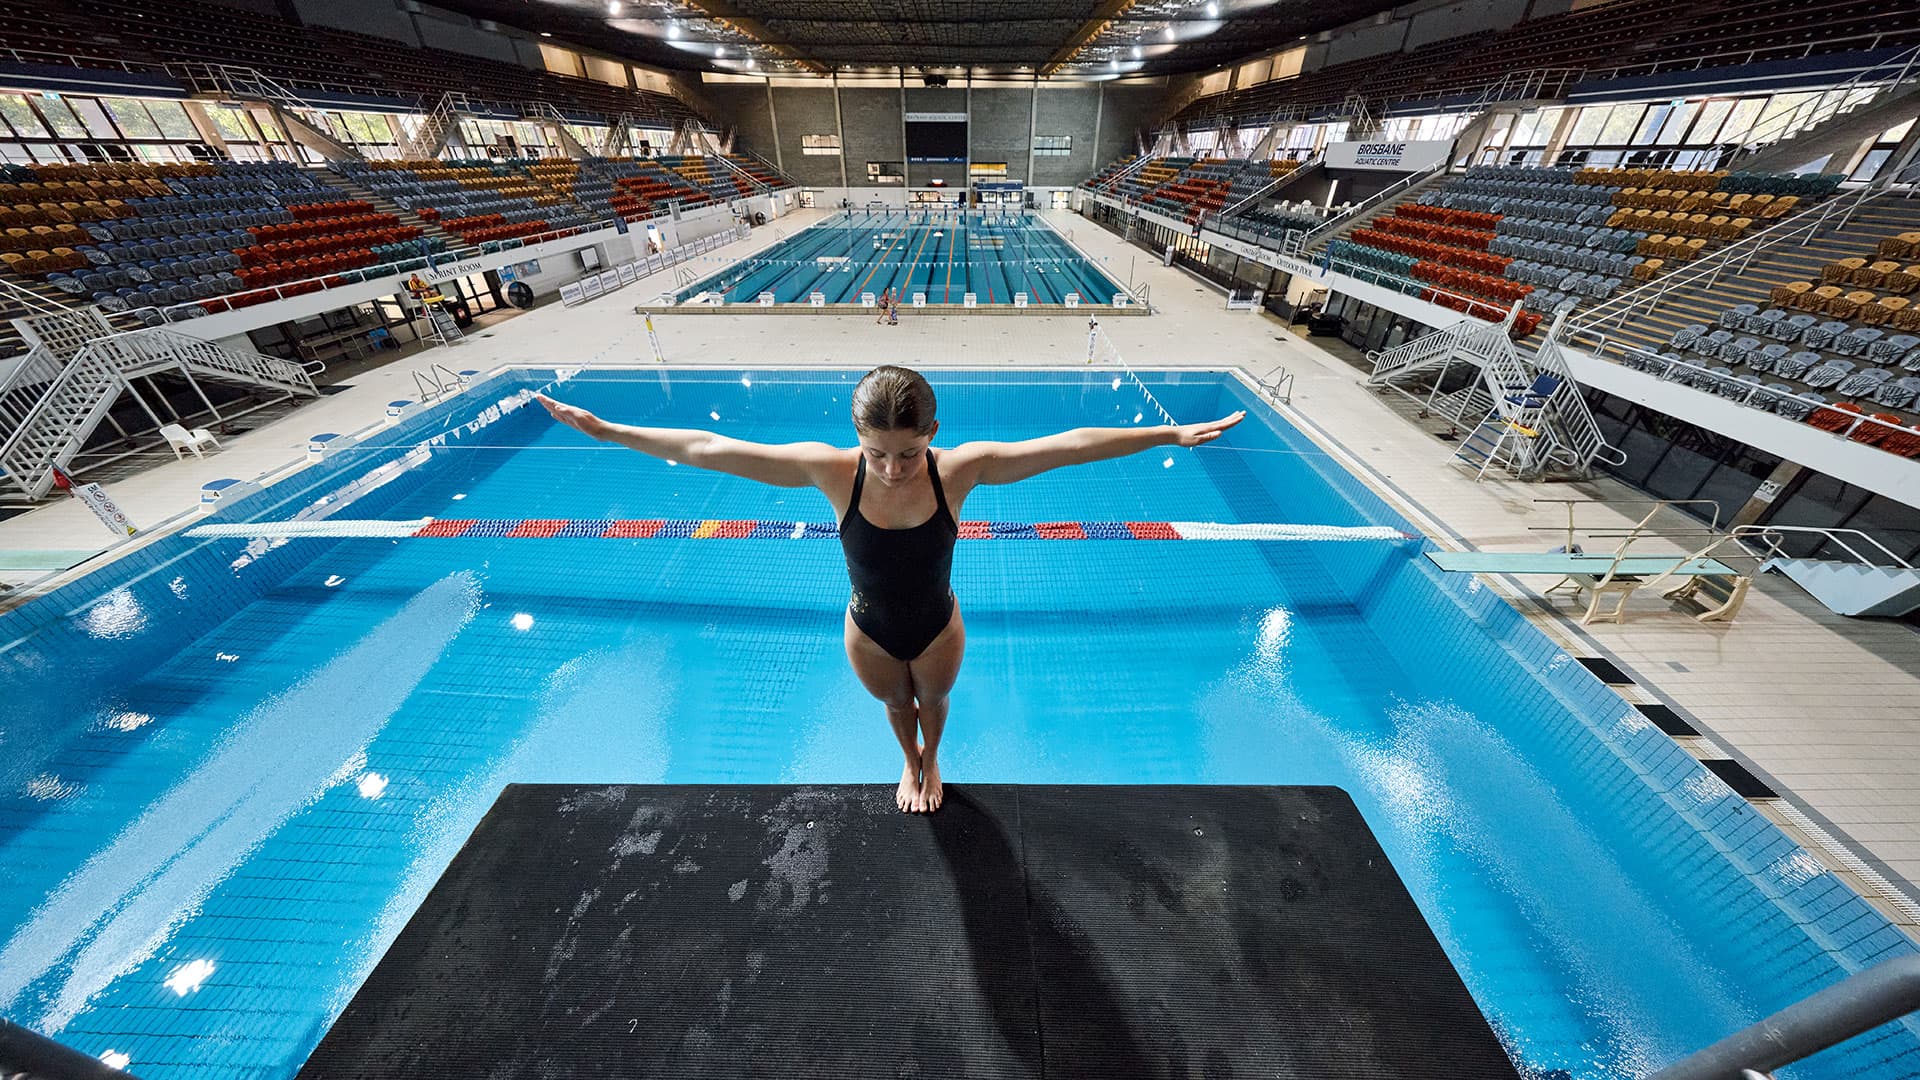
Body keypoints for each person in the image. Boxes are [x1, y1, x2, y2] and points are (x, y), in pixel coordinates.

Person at [534, 367, 1242, 813]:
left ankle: (935, 762)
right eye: (878, 453)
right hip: (868, 630)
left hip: (939, 625)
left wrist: (1168, 433)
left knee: (934, 699)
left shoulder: (959, 471)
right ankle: (908, 763)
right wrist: (609, 431)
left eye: (908, 453)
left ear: (932, 433)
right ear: (857, 438)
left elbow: (1071, 444)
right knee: (895, 704)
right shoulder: (832, 472)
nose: (895, 469)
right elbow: (708, 449)